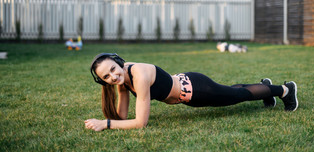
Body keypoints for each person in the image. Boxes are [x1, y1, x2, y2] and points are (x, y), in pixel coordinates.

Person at [84, 53, 298, 131]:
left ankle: (284, 90)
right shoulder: (122, 78)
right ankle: (265, 88)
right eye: (106, 77)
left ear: (118, 62)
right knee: (231, 91)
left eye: (112, 69)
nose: (113, 76)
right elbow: (122, 116)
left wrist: (106, 124)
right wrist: (113, 116)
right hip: (189, 87)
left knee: (236, 96)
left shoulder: (138, 74)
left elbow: (141, 123)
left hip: (196, 90)